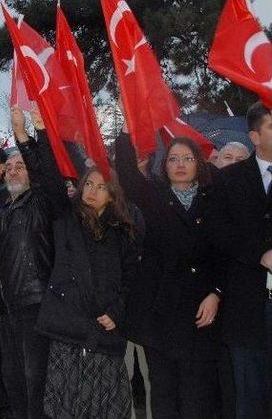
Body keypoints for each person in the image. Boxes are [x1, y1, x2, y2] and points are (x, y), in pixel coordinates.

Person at [22, 108, 138, 419]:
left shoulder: (123, 231)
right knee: (66, 407)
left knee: (104, 408)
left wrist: (117, 312)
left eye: (101, 187)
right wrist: (40, 133)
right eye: (88, 184)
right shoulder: (66, 218)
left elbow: (130, 279)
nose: (91, 191)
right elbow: (48, 177)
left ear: (112, 195)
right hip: (68, 329)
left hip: (105, 330)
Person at [115, 131, 222, 419]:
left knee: (196, 393)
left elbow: (223, 252)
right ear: (164, 166)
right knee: (162, 390)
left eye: (187, 158)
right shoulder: (154, 197)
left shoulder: (214, 200)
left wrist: (216, 292)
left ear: (199, 164)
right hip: (160, 311)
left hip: (200, 311)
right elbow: (126, 174)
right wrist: (127, 129)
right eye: (173, 158)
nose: (180, 164)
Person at [0, 107, 53, 419]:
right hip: (9, 306)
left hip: (36, 302)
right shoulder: (2, 209)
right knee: (12, 377)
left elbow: (45, 174)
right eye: (8, 167)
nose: (12, 170)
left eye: (19, 165)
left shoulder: (38, 202)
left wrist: (27, 135)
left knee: (36, 376)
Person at [207, 102, 272, 418]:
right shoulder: (229, 180)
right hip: (247, 310)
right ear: (254, 136)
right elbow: (219, 233)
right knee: (249, 399)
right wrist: (260, 253)